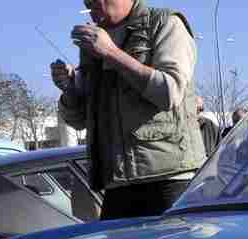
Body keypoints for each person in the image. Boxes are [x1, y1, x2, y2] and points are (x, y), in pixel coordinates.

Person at [52, 0, 205, 220]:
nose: (89, 4)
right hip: (117, 185)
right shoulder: (94, 42)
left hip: (170, 181)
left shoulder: (165, 23)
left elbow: (170, 92)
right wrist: (71, 90)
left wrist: (111, 53)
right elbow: (80, 121)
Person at [196, 95, 219, 160]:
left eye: (201, 109)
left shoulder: (212, 127)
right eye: (197, 110)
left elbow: (220, 150)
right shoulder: (182, 128)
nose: (199, 112)